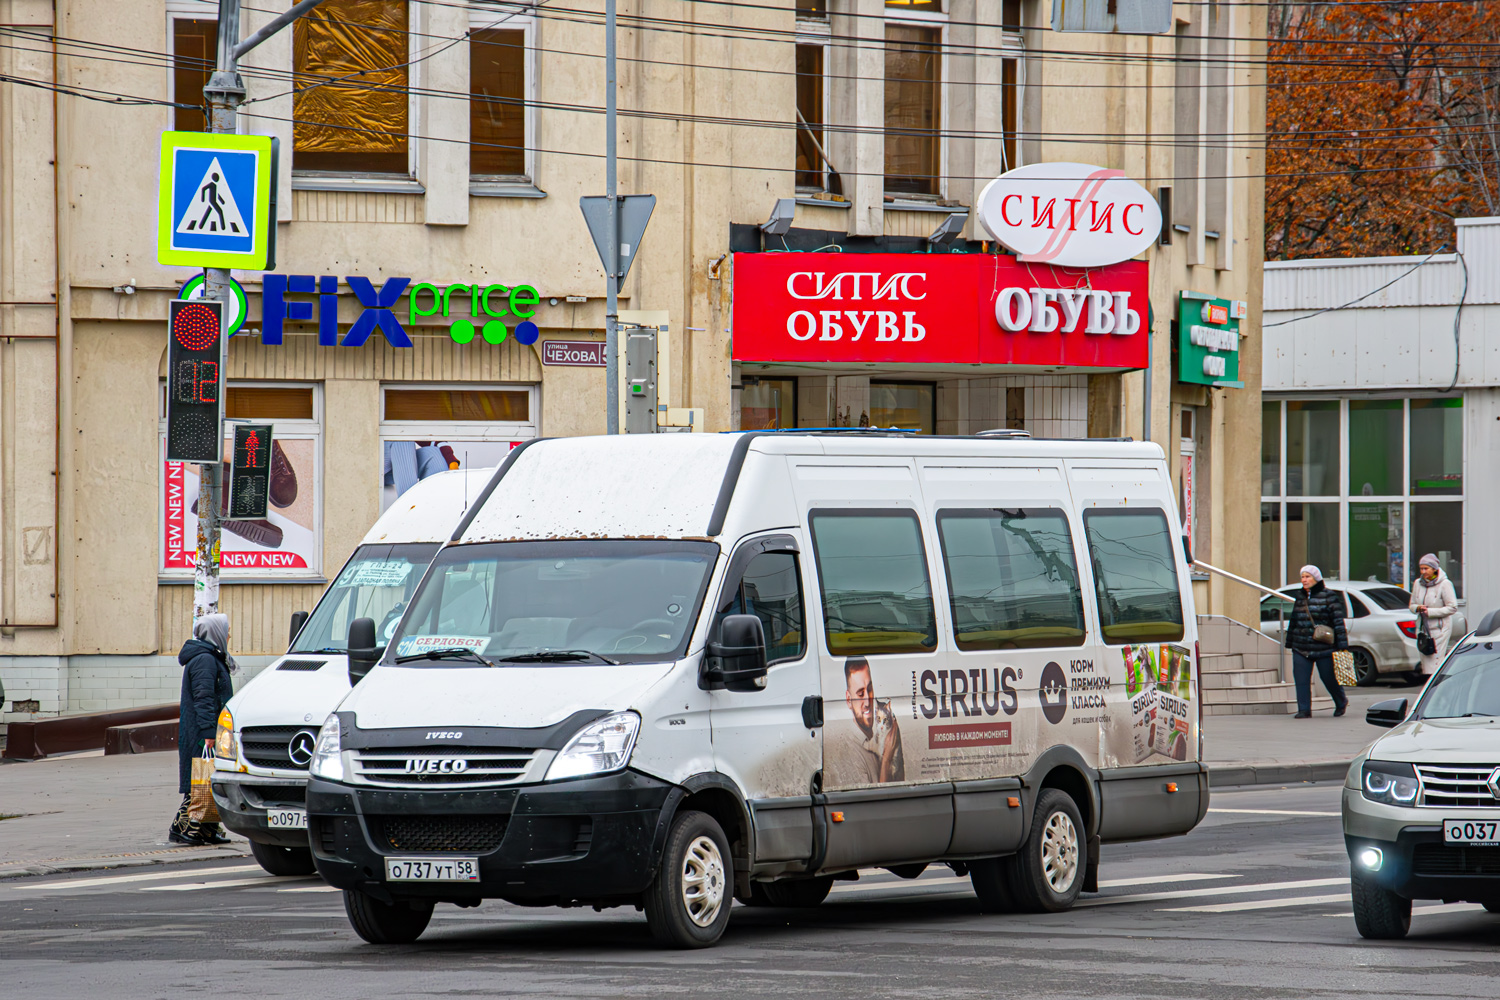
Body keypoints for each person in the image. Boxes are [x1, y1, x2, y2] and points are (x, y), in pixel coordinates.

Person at [170, 613, 236, 846]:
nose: (229, 634)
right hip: (202, 732)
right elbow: (204, 698)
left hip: (209, 729)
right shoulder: (205, 660)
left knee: (208, 780)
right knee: (200, 779)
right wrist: (209, 733)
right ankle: (183, 828)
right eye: (226, 630)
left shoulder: (210, 657)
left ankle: (207, 829)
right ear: (215, 632)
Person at [826, 657, 904, 786]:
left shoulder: (880, 733)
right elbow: (877, 801)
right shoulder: (850, 751)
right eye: (860, 694)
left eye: (869, 689)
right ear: (849, 700)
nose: (868, 702)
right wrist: (887, 758)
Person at [1285, 565, 1351, 719]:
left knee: (1328, 677)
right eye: (1302, 577)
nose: (1304, 580)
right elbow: (1294, 620)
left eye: (1308, 577)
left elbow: (1338, 622)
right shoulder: (1300, 597)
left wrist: (1342, 645)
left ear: (1316, 578)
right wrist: (1290, 642)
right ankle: (1304, 710)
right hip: (1301, 647)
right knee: (1301, 679)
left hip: (1324, 647)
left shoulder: (1329, 596)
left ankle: (1341, 701)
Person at [1410, 553, 1459, 675]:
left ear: (1434, 569)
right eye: (1421, 568)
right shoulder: (1417, 583)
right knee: (1425, 659)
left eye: (1426, 568)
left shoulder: (1444, 584)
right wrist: (1417, 608)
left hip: (1440, 628)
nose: (1423, 571)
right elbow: (1411, 605)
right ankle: (1429, 684)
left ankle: (1435, 686)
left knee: (1435, 661)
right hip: (1423, 629)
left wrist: (1430, 612)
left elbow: (1452, 607)